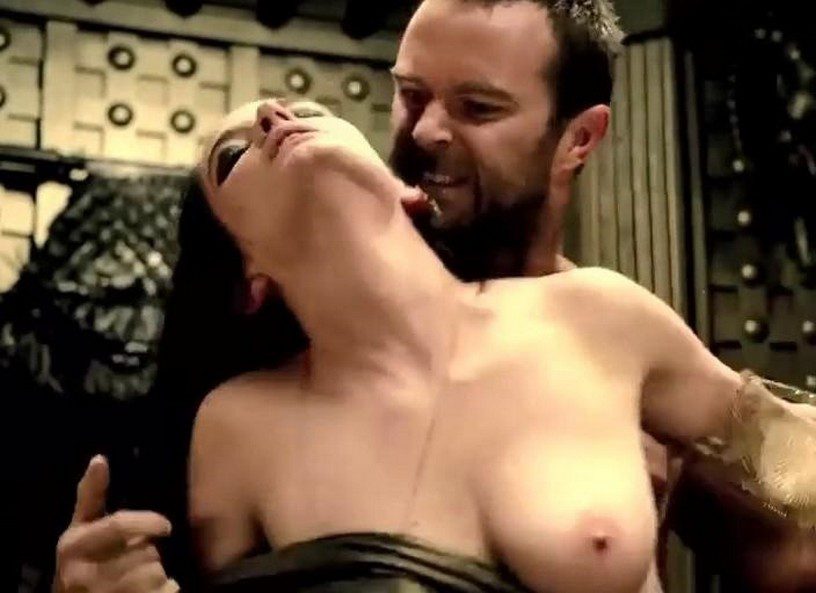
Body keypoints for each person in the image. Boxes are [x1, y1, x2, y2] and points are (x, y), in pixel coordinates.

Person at [52, 0, 816, 591]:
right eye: (409, 94)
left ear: (579, 138)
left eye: (479, 107)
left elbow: (796, 485)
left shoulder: (604, 320)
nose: (424, 133)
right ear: (248, 273)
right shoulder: (239, 421)